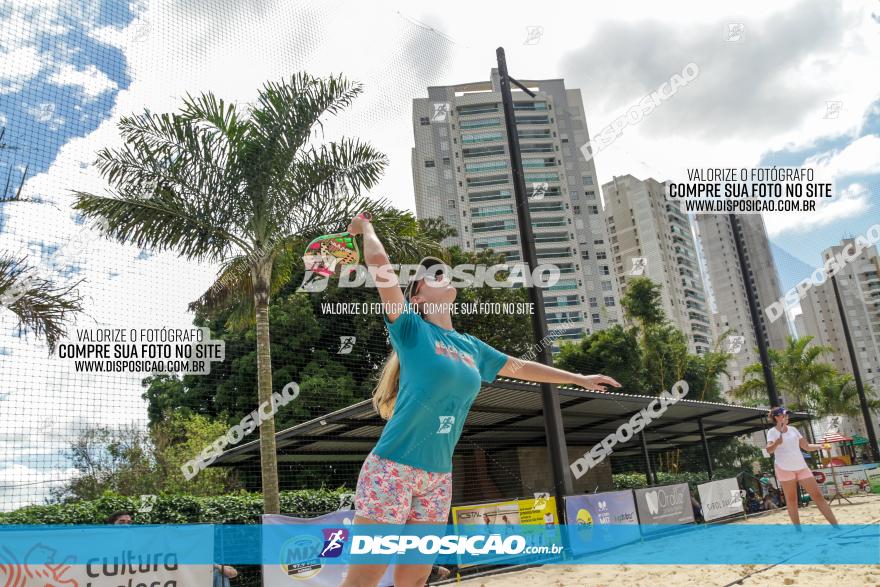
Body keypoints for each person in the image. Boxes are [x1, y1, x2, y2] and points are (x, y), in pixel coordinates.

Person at [340, 213, 621, 587]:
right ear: (418, 297)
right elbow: (380, 267)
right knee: (364, 579)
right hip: (393, 469)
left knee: (413, 580)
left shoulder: (472, 348)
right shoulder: (411, 329)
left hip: (438, 478)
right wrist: (365, 230)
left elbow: (521, 368)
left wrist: (578, 378)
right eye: (432, 275)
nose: (444, 275)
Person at [765, 406, 838, 526]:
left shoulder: (793, 430)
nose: (787, 417)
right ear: (777, 417)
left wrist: (821, 446)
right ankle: (798, 530)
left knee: (818, 496)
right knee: (792, 500)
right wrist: (777, 442)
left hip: (801, 467)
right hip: (784, 469)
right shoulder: (772, 432)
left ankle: (836, 526)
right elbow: (769, 450)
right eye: (784, 415)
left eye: (787, 415)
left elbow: (807, 446)